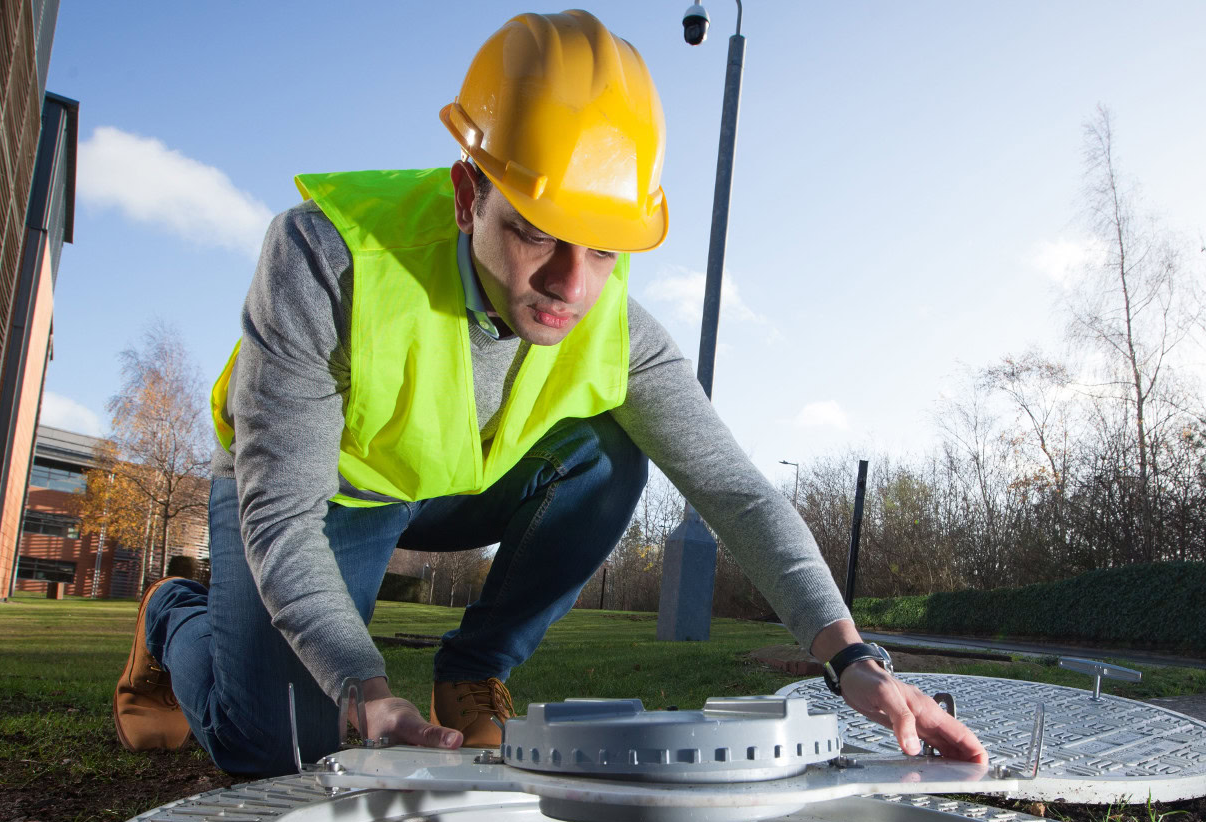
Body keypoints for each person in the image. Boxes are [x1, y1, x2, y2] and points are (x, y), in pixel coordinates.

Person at [112, 9, 985, 777]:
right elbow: (281, 519)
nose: (572, 284)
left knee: (610, 453)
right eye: (536, 233)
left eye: (605, 247)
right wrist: (363, 685)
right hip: (316, 492)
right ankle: (174, 614)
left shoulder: (617, 330)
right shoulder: (324, 260)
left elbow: (735, 489)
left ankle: (471, 668)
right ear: (467, 195)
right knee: (280, 750)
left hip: (446, 480)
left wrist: (854, 660)